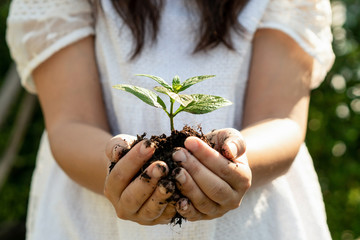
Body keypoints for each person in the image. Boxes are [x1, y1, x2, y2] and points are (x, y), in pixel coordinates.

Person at [6, 0, 335, 239]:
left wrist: (235, 163)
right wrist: (122, 171)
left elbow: (281, 119)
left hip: (254, 221)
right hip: (94, 215)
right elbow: (70, 123)